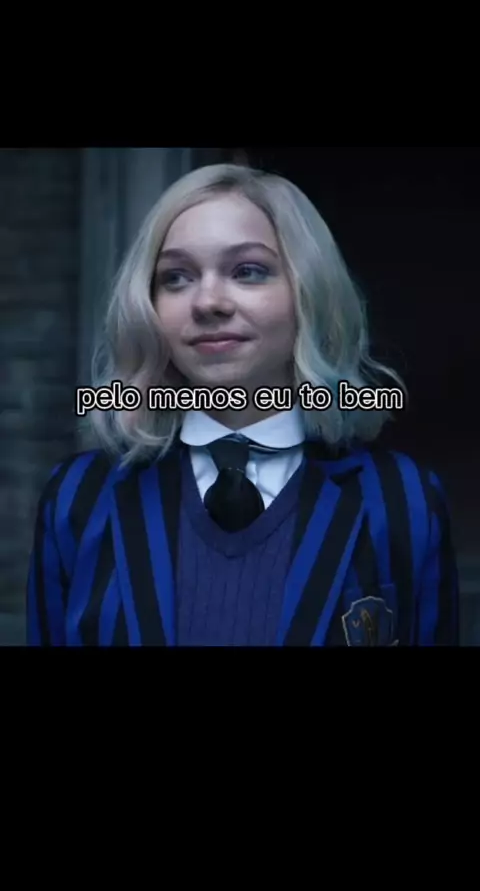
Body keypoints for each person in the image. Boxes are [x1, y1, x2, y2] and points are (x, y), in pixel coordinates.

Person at [26, 163, 459, 647]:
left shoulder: (403, 499)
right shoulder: (80, 499)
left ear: (309, 293)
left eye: (248, 271)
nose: (207, 302)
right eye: (176, 277)